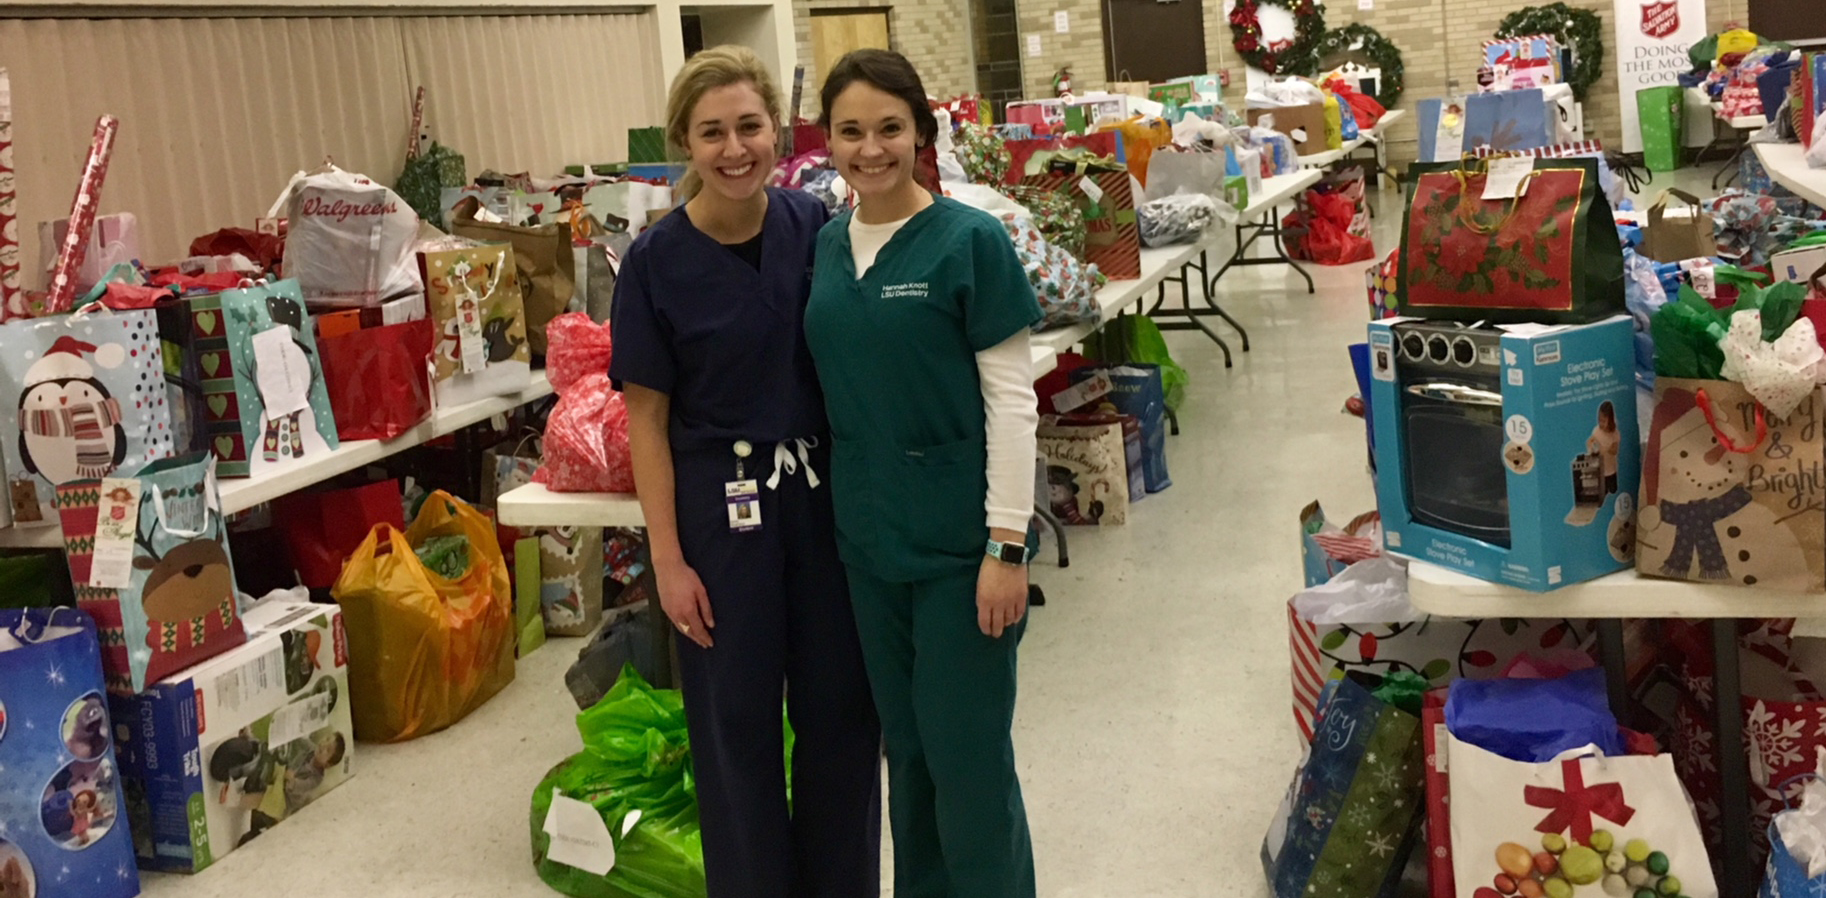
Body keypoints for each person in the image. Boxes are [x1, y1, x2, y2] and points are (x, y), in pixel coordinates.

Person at [607, 45, 882, 898]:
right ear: (683, 143)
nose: (735, 149)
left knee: (841, 717)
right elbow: (644, 420)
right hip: (719, 523)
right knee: (735, 727)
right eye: (713, 132)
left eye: (750, 127)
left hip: (825, 508)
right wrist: (667, 559)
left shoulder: (820, 231)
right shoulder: (654, 264)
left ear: (776, 129)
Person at [805, 49, 1044, 898]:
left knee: (969, 766)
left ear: (922, 133)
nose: (871, 149)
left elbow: (1014, 404)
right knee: (906, 759)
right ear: (828, 140)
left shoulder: (969, 242)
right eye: (851, 131)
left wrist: (1006, 548)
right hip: (869, 548)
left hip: (960, 553)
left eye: (889, 128)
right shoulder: (829, 244)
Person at [1588, 400, 1621, 495]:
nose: (1601, 423)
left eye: (1603, 421)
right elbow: (1591, 441)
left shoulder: (1615, 434)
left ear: (1610, 420)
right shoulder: (1596, 431)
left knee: (1613, 490)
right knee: (1603, 491)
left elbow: (1615, 451)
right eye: (1599, 420)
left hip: (1611, 469)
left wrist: (1605, 449)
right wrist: (1591, 447)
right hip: (1600, 469)